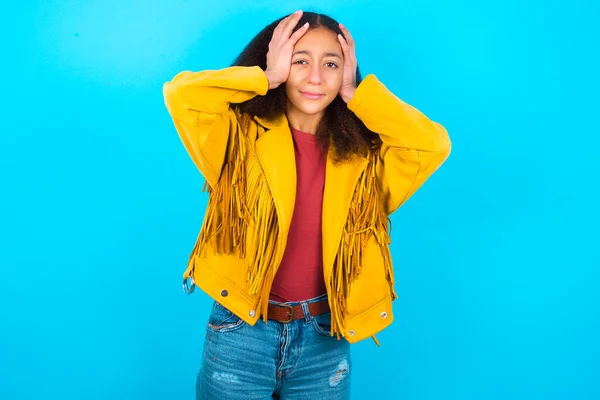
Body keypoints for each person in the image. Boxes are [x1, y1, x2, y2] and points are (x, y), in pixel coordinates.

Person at [163, 9, 451, 400]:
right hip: (240, 333)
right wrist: (264, 79)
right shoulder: (237, 139)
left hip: (324, 334)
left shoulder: (364, 159)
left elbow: (431, 145)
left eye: (330, 64)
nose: (316, 77)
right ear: (278, 61)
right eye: (301, 61)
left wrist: (358, 95)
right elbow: (183, 95)